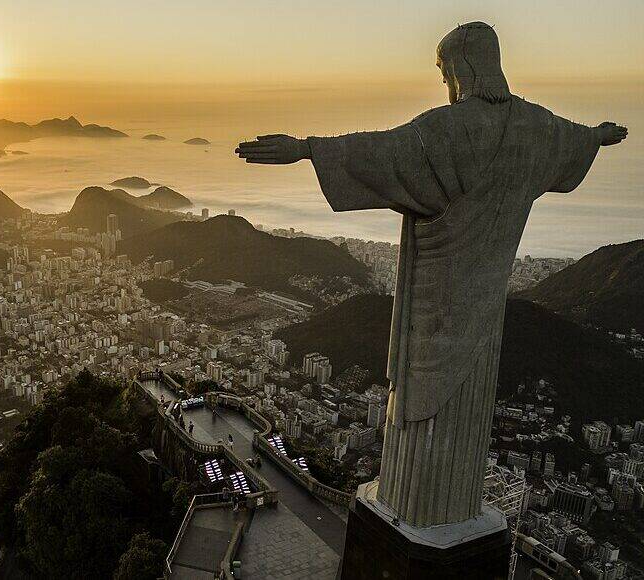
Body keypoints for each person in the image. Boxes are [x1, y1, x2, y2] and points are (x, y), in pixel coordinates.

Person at [236, 21, 626, 528]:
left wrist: (306, 148)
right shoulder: (536, 128)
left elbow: (380, 151)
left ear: (464, 67)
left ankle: (416, 510)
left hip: (433, 301)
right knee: (464, 403)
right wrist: (597, 135)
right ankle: (447, 511)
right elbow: (571, 139)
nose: (445, 84)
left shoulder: (447, 130)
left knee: (418, 399)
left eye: (445, 71)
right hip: (486, 307)